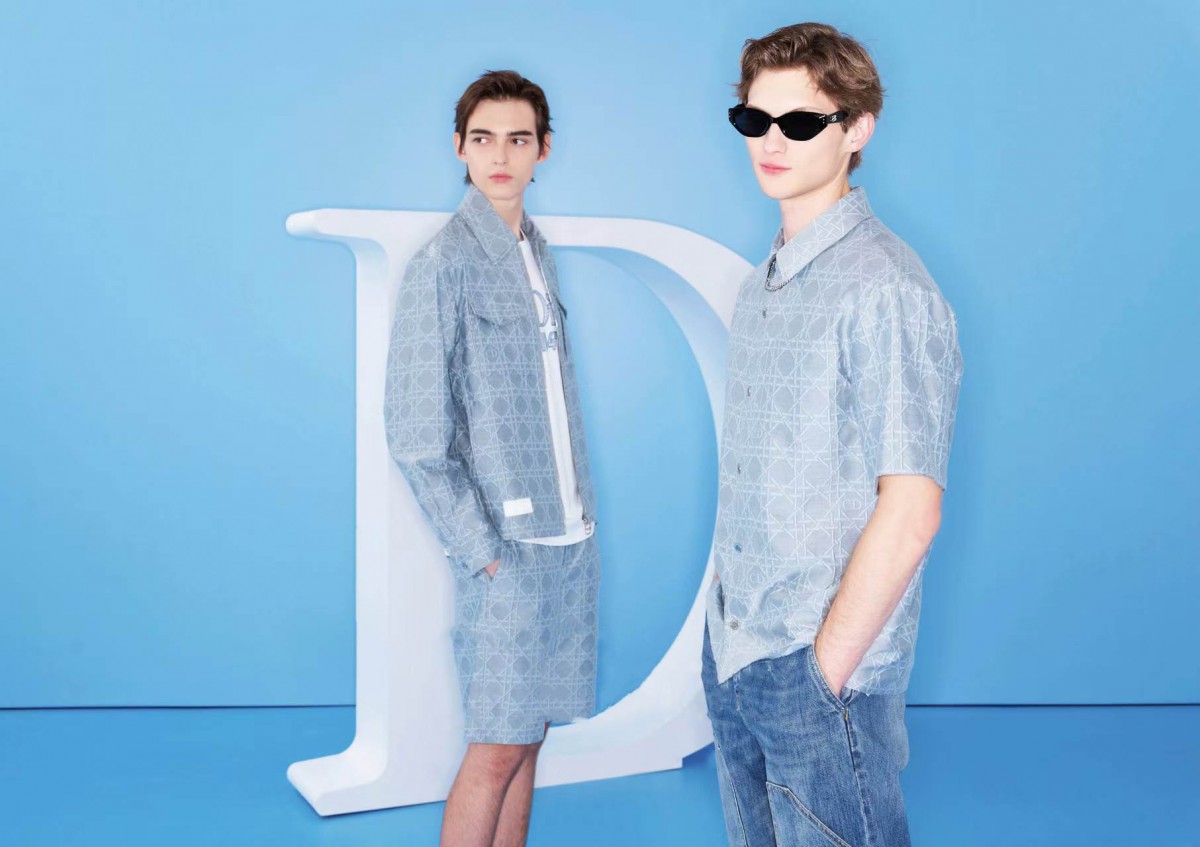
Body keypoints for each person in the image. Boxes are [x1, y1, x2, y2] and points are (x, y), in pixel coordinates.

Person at [702, 23, 964, 847]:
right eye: (755, 120)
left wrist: (824, 671)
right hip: (735, 648)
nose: (771, 142)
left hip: (819, 671)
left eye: (801, 122)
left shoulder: (887, 289)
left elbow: (913, 507)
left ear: (857, 130)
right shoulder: (761, 284)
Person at [384, 69, 600, 847]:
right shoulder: (443, 264)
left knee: (530, 738)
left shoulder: (537, 252)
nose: (500, 156)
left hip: (570, 541)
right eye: (483, 139)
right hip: (507, 551)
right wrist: (483, 553)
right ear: (460, 148)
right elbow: (415, 434)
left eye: (517, 139)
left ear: (544, 149)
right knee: (496, 746)